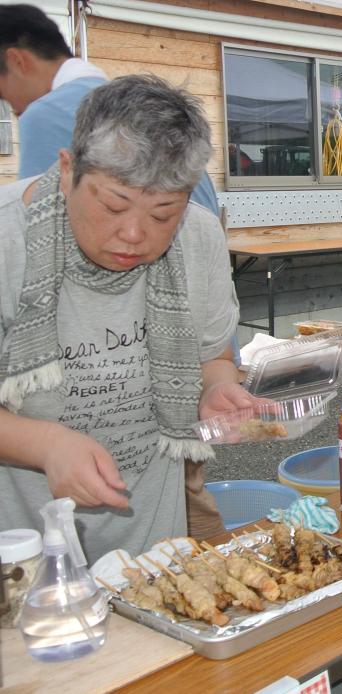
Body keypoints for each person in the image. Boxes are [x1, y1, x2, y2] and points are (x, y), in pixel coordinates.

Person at [0, 74, 254, 561]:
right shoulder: (9, 242)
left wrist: (216, 388)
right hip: (23, 556)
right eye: (114, 205)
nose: (135, 234)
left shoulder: (197, 239)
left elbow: (212, 356)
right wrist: (46, 445)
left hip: (153, 548)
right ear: (68, 168)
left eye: (163, 215)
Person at [0, 3, 222, 216]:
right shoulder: (135, 102)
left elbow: (36, 225)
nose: (13, 108)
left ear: (18, 61)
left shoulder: (46, 113)